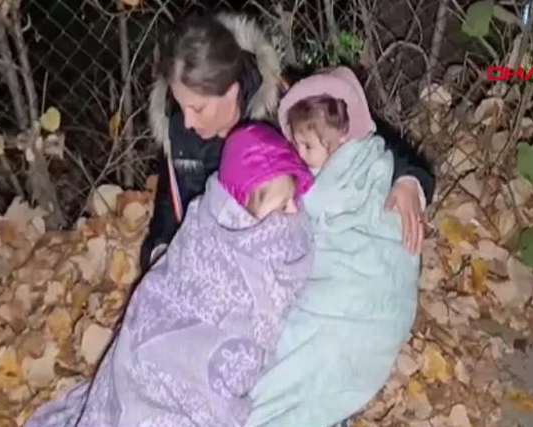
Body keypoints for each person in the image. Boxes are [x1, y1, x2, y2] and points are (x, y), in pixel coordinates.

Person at [23, 123, 315, 427]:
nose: (293, 213)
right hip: (165, 360)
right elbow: (173, 291)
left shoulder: (292, 235)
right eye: (281, 207)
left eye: (293, 200)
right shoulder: (208, 230)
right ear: (242, 209)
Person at [141, 12, 435, 269]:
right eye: (181, 106)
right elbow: (166, 222)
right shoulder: (182, 136)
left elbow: (371, 135)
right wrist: (162, 256)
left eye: (197, 108)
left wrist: (408, 180)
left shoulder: (290, 101)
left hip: (315, 255)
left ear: (231, 91)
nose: (187, 121)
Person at [246, 66, 421, 427]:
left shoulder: (368, 162)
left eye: (308, 146)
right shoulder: (308, 164)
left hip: (363, 287)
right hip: (330, 282)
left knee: (305, 343)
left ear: (340, 138)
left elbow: (355, 220)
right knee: (285, 337)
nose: (299, 153)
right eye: (296, 143)